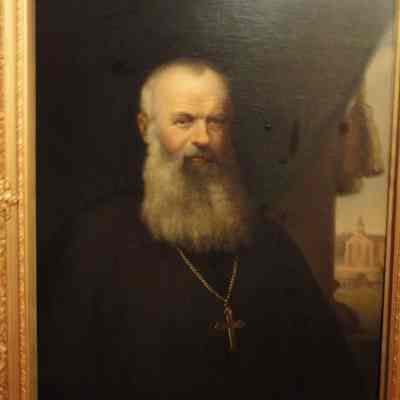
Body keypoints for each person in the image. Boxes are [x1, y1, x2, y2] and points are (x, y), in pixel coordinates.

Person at [39, 59, 367, 399]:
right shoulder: (96, 242)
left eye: (216, 121)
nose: (203, 138)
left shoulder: (269, 241)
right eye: (183, 121)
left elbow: (329, 374)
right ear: (146, 128)